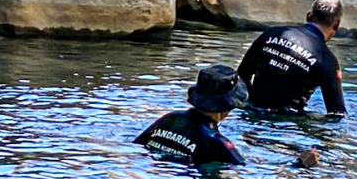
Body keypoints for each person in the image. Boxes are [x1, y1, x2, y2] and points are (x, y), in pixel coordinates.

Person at [134, 65, 322, 168]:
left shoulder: (170, 119)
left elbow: (137, 145)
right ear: (228, 106)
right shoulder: (217, 142)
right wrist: (299, 164)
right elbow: (249, 172)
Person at [236, 0, 347, 117]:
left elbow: (242, 75)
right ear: (336, 25)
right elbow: (337, 112)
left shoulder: (272, 33)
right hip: (288, 124)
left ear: (309, 16)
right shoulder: (327, 60)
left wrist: (251, 104)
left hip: (252, 111)